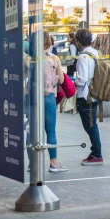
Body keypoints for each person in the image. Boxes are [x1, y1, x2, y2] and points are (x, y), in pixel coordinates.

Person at [74, 29, 104, 166]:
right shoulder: (95, 53)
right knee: (93, 125)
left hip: (85, 96)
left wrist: (74, 81)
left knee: (91, 127)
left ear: (78, 41)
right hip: (96, 93)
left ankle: (97, 154)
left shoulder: (82, 57)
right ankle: (95, 152)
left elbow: (82, 79)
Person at [43, 35, 67, 173]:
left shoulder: (29, 58)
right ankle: (53, 162)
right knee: (50, 130)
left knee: (31, 130)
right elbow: (62, 79)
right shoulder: (54, 58)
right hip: (49, 96)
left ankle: (31, 163)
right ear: (50, 43)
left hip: (31, 98)